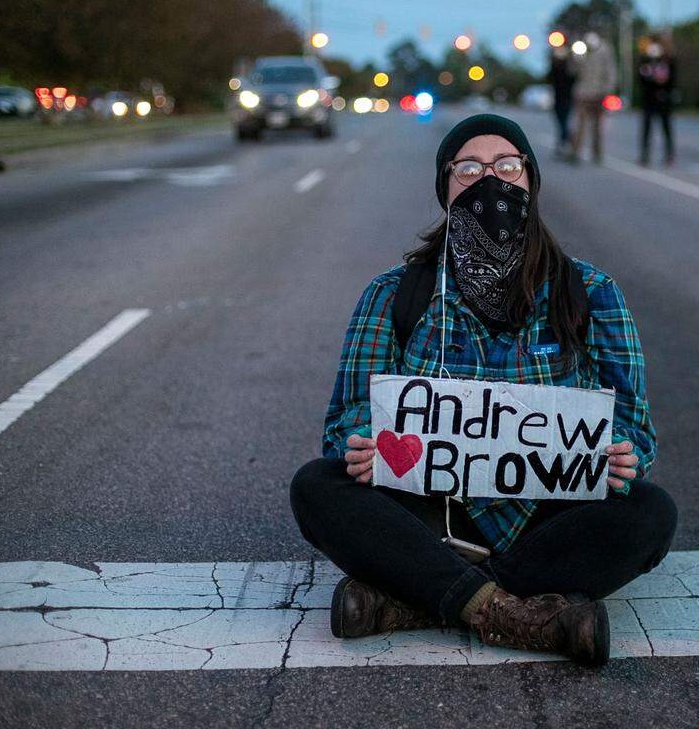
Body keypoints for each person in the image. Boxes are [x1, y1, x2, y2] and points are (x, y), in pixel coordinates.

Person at [289, 114, 676, 666]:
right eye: (468, 168)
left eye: (507, 166)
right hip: (428, 513)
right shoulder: (395, 293)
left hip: (545, 518)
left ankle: (419, 600)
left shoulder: (589, 291)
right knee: (317, 486)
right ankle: (517, 612)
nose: (490, 180)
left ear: (529, 181)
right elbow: (347, 416)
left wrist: (620, 454)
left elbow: (634, 422)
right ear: (446, 188)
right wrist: (361, 446)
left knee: (649, 513)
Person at [568, 31, 617, 164]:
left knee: (597, 127)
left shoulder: (605, 50)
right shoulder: (581, 50)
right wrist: (576, 58)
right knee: (579, 126)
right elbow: (572, 72)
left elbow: (611, 71)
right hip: (582, 94)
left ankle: (597, 154)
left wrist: (607, 90)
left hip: (599, 94)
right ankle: (575, 152)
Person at [637, 33, 676, 165]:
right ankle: (644, 155)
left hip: (664, 100)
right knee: (647, 129)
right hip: (648, 100)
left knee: (666, 128)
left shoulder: (668, 61)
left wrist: (665, 89)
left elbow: (672, 80)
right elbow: (641, 79)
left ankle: (669, 155)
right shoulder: (645, 61)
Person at [547, 42, 576, 157]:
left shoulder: (569, 69)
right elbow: (549, 77)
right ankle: (565, 141)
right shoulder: (554, 68)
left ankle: (564, 142)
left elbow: (574, 77)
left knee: (564, 122)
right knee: (560, 122)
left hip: (567, 99)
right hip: (558, 99)